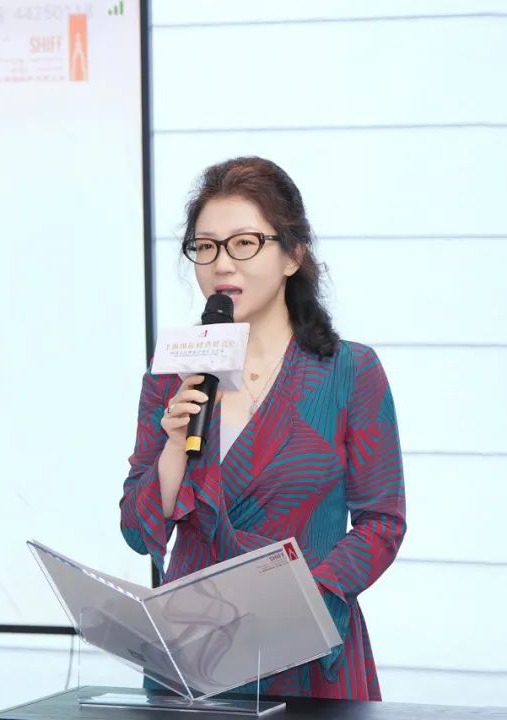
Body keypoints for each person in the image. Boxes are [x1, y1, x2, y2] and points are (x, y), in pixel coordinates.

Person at [119, 156, 407, 700]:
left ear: (293, 254)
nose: (221, 264)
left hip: (308, 647)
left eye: (244, 243)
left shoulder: (351, 371)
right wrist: (174, 451)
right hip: (195, 655)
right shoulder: (172, 374)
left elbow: (382, 523)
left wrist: (308, 599)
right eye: (206, 247)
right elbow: (137, 532)